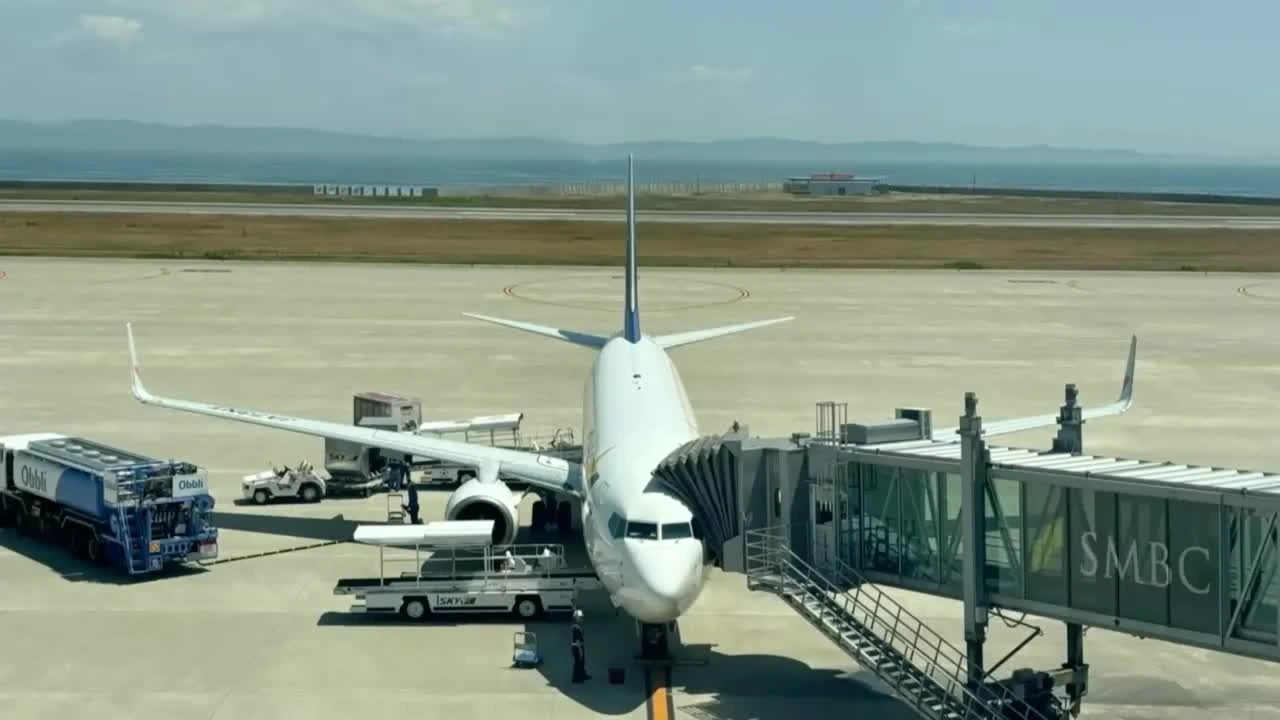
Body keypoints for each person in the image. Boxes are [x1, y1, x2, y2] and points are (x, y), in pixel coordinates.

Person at [571, 609, 590, 683]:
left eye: (582, 617)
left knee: (582, 662)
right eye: (580, 617)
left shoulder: (579, 626)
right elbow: (578, 641)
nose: (582, 619)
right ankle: (576, 679)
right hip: (577, 647)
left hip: (580, 646)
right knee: (578, 663)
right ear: (576, 618)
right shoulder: (576, 628)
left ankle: (583, 675)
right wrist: (580, 651)